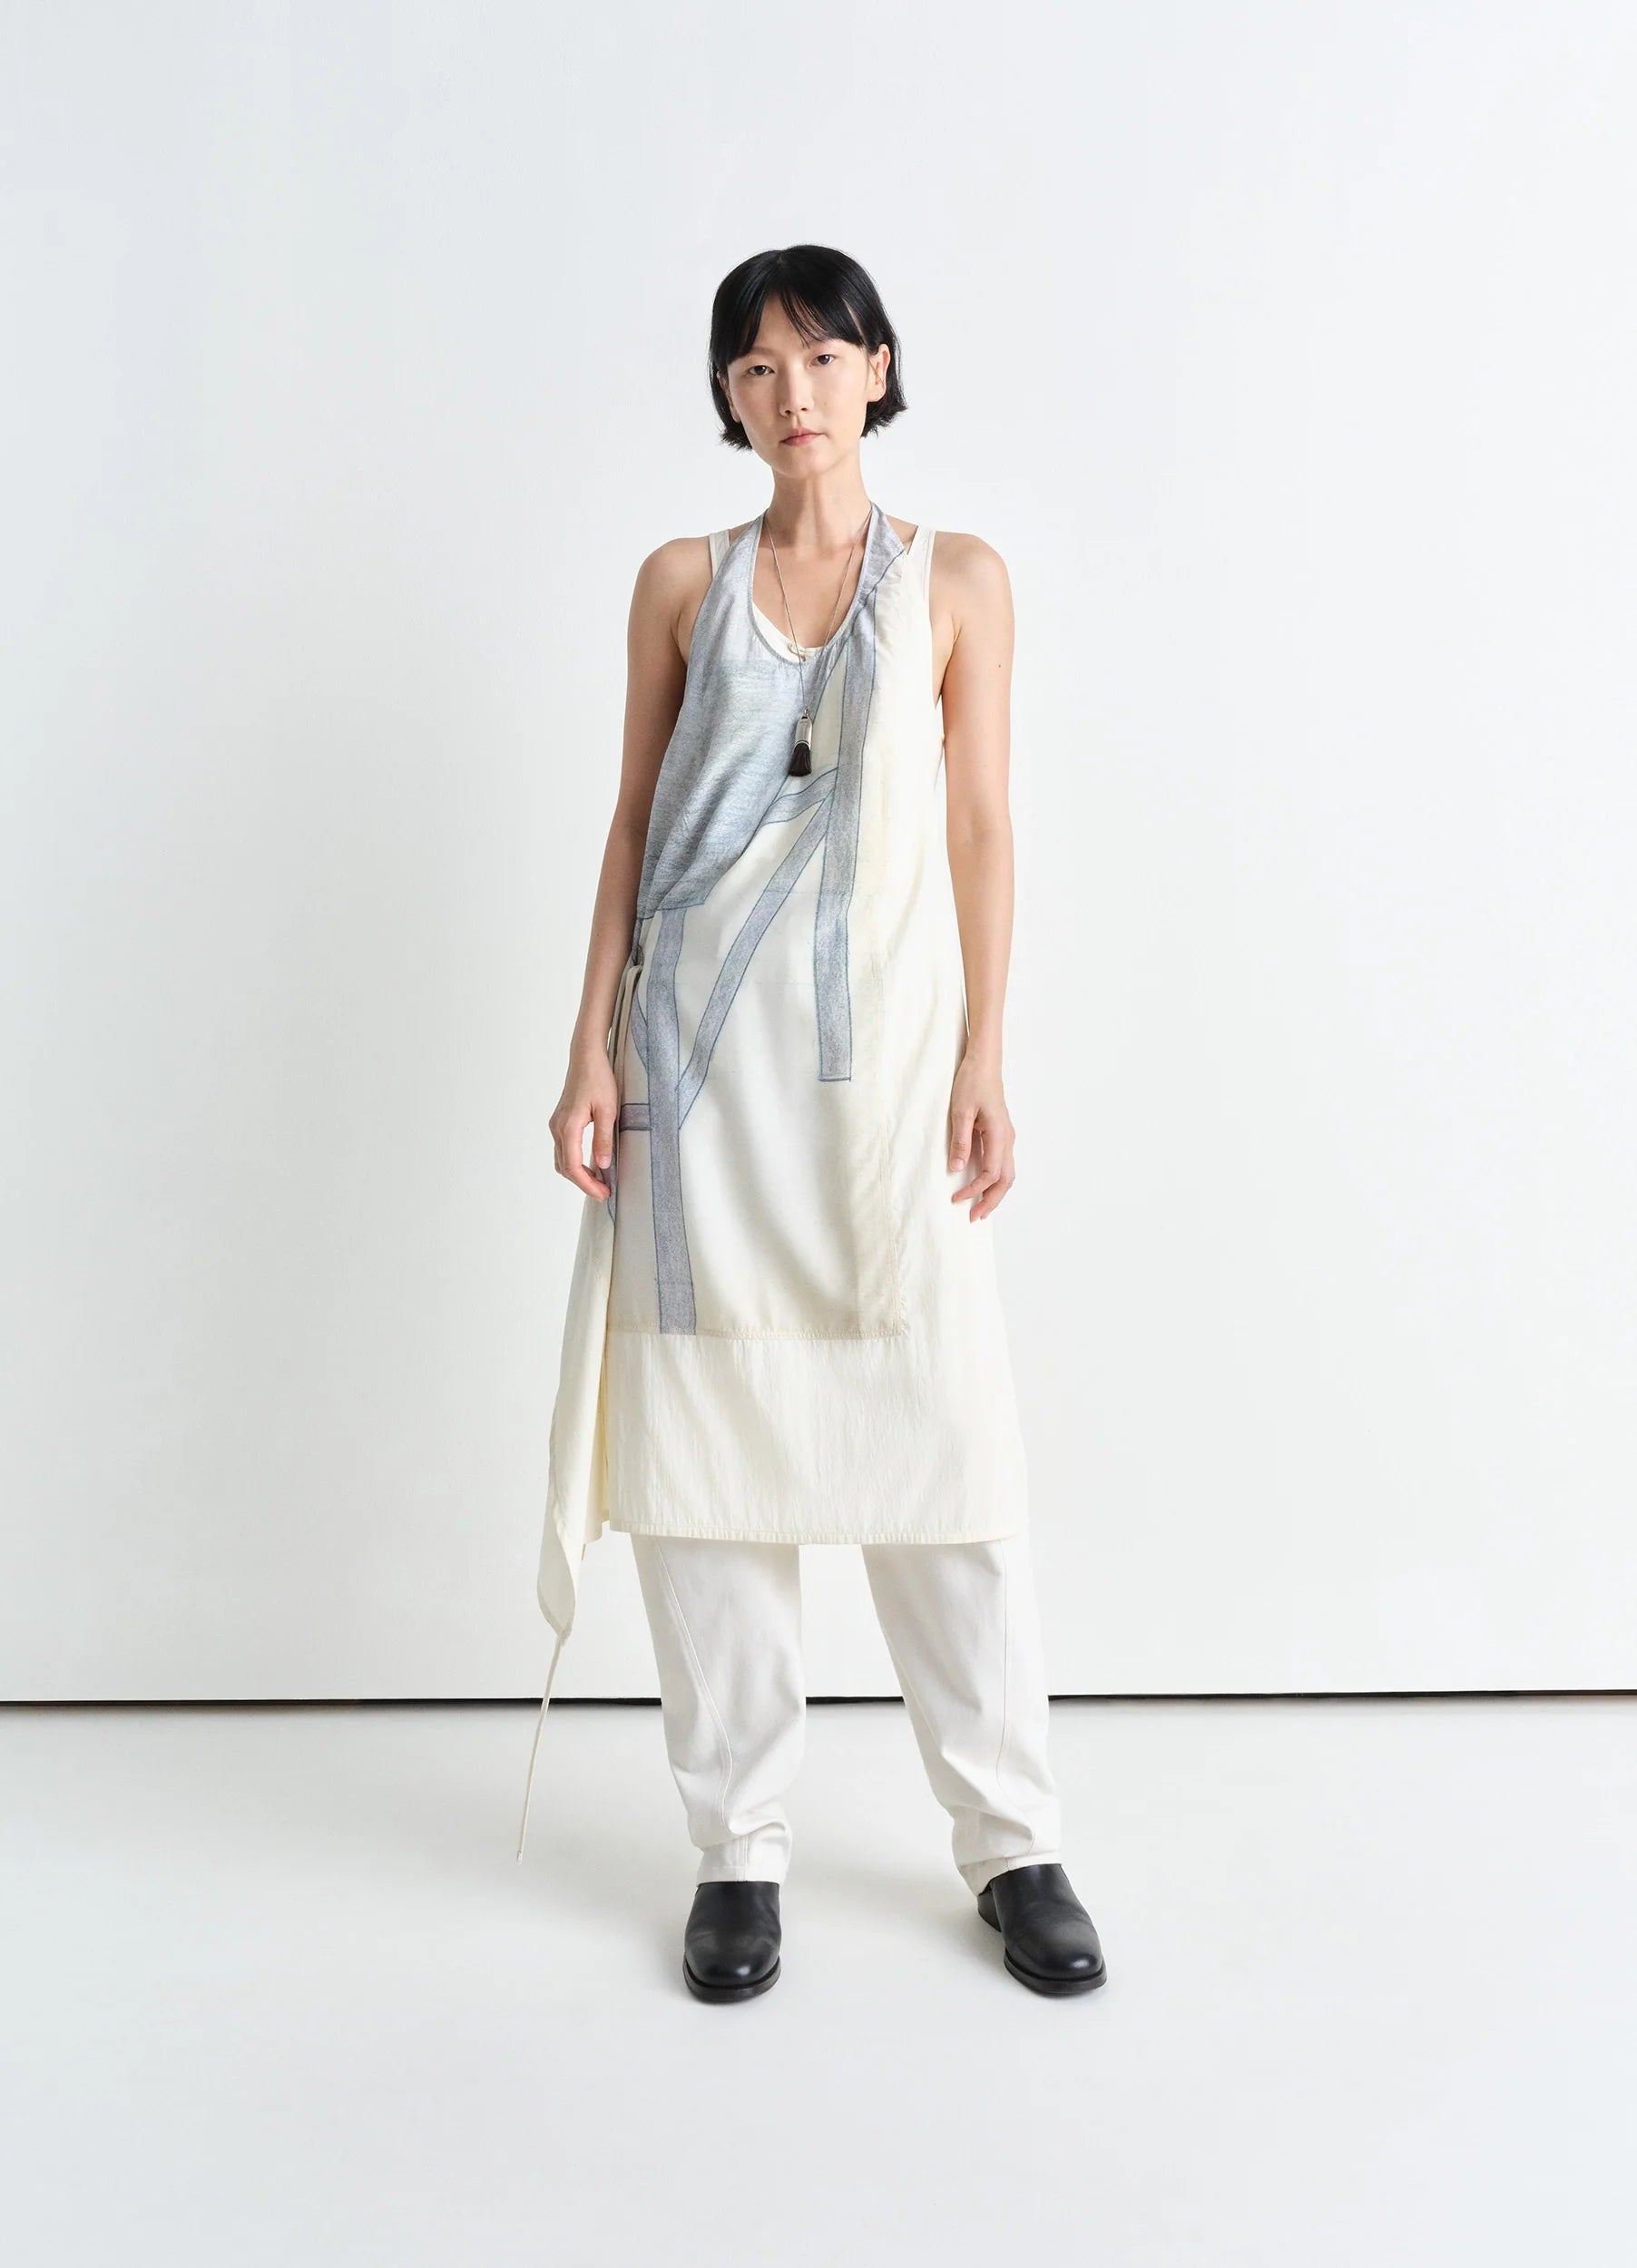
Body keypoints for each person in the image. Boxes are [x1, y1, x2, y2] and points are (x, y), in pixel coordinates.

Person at [519, 244, 1105, 2003]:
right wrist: (588, 1045)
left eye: (823, 358)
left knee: (944, 1456)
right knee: (705, 1479)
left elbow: (983, 823)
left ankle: (1012, 1839)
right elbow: (633, 821)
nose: (794, 394)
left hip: (883, 1089)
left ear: (879, 370)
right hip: (696, 1088)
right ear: (727, 395)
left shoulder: (957, 580)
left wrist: (987, 1049)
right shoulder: (677, 583)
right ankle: (738, 1847)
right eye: (758, 367)